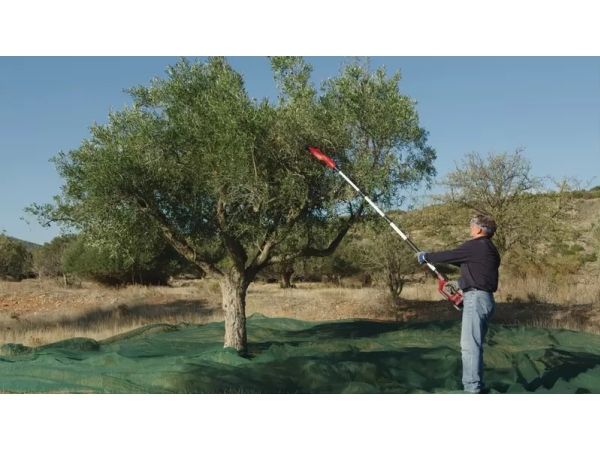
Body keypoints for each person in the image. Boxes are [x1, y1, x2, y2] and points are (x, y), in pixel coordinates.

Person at [417, 214, 500, 393]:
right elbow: (475, 270)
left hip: (475, 299)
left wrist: (426, 256)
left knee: (469, 346)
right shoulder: (490, 249)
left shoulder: (475, 246)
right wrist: (460, 285)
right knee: (475, 345)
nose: (470, 227)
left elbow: (450, 255)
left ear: (479, 229)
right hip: (485, 300)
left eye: (472, 224)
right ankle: (476, 385)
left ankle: (472, 389)